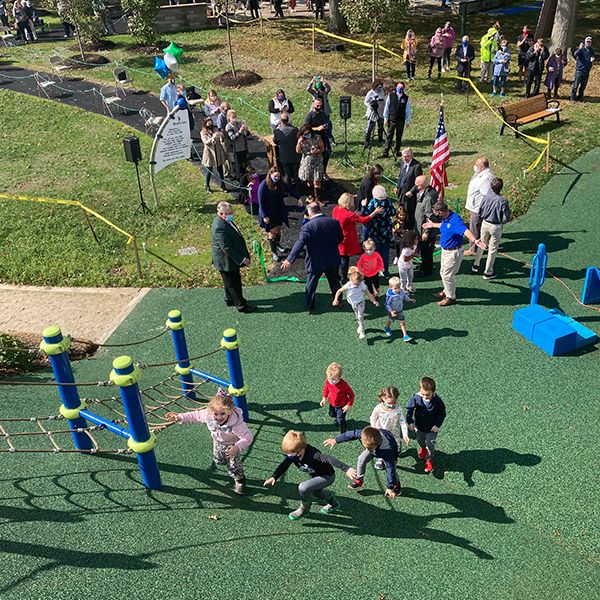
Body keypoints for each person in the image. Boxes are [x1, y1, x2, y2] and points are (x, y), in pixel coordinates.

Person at [165, 389, 252, 495]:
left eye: (222, 414)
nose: (219, 417)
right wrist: (179, 417)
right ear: (211, 412)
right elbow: (195, 416)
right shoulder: (208, 415)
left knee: (233, 465)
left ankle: (240, 480)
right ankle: (225, 462)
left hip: (232, 446)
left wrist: (237, 447)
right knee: (218, 460)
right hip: (218, 442)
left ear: (229, 411)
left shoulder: (236, 424)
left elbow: (247, 437)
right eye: (216, 414)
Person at [264, 430, 356, 520]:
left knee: (303, 487)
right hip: (316, 476)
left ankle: (304, 509)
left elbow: (329, 458)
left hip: (327, 477)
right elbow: (284, 464)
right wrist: (274, 476)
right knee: (316, 492)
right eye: (288, 454)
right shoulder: (293, 455)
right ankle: (334, 504)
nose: (290, 457)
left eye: (292, 454)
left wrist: (346, 469)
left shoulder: (313, 454)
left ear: (301, 449)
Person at [282, 202, 343, 312]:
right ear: (320, 209)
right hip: (332, 258)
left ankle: (310, 306)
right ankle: (338, 301)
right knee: (334, 281)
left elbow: (299, 243)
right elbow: (340, 238)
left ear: (309, 212)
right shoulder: (334, 222)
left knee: (311, 284)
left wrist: (289, 259)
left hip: (315, 261)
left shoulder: (308, 227)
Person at [422, 200, 487, 306]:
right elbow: (445, 226)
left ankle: (451, 297)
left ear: (441, 212)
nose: (435, 215)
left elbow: (465, 231)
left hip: (452, 252)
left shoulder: (455, 220)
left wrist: (475, 240)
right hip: (446, 251)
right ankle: (447, 290)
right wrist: (433, 225)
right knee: (443, 272)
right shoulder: (446, 218)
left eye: (436, 213)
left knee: (448, 275)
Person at [324, 426, 402, 498]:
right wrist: (336, 440)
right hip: (376, 448)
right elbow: (349, 435)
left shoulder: (387, 449)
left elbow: (390, 469)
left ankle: (396, 485)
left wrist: (390, 487)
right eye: (366, 447)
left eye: (369, 448)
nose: (367, 449)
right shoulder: (363, 434)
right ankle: (359, 480)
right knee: (361, 459)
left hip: (390, 452)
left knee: (393, 470)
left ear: (376, 444)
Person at [211, 201, 256, 313]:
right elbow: (226, 248)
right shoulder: (219, 227)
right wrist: (242, 259)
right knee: (234, 283)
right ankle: (241, 305)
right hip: (225, 260)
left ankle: (229, 299)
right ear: (221, 214)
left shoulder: (224, 221)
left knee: (228, 281)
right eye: (229, 213)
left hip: (228, 260)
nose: (232, 214)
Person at [332, 193, 383, 283]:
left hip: (336, 236)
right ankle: (344, 278)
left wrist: (355, 214)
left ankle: (336, 275)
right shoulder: (349, 215)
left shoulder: (336, 209)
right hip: (346, 238)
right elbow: (364, 219)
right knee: (345, 258)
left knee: (338, 256)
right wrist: (375, 212)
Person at [472, 177, 511, 280]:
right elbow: (506, 217)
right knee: (492, 249)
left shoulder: (485, 197)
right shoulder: (503, 201)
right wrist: (502, 221)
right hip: (496, 226)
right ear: (501, 188)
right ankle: (488, 271)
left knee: (482, 243)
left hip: (485, 223)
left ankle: (476, 264)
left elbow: (479, 211)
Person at [406, 376, 446, 474]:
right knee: (420, 440)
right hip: (419, 426)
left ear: (433, 392)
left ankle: (429, 460)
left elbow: (442, 414)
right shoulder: (416, 397)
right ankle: (422, 448)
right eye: (423, 394)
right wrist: (410, 421)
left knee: (430, 444)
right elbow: (409, 410)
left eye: (428, 395)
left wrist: (437, 425)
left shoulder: (437, 401)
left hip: (431, 429)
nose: (425, 397)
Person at [258, 167, 298, 261]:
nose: (277, 178)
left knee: (279, 229)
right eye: (275, 176)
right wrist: (264, 216)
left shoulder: (280, 183)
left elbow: (289, 189)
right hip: (268, 213)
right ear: (270, 174)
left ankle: (278, 244)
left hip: (278, 210)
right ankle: (274, 252)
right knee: (272, 232)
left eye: (279, 176)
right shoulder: (263, 185)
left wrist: (298, 197)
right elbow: (261, 202)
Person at [369, 387, 410, 470]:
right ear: (383, 398)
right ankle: (380, 459)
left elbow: (402, 422)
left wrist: (405, 435)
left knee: (395, 447)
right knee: (381, 445)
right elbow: (372, 418)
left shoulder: (398, 409)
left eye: (394, 402)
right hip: (382, 432)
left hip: (394, 433)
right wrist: (374, 429)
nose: (391, 405)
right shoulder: (379, 408)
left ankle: (394, 456)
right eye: (389, 403)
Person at [333, 267, 379, 340]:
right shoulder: (348, 285)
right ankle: (360, 326)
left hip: (360, 302)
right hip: (353, 303)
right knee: (357, 315)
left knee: (360, 317)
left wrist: (374, 301)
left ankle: (362, 331)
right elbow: (339, 291)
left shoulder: (362, 285)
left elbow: (368, 294)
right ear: (351, 280)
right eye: (355, 284)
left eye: (358, 284)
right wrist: (335, 299)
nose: (357, 286)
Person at [360, 184, 396, 276]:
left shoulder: (373, 202)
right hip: (386, 231)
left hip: (375, 232)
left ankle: (375, 271)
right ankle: (386, 271)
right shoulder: (388, 201)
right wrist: (386, 212)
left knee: (375, 254)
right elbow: (393, 212)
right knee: (385, 253)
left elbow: (365, 214)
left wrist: (363, 206)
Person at [405, 175, 438, 277]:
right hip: (420, 227)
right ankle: (424, 265)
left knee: (426, 251)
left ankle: (427, 270)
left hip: (426, 231)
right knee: (424, 250)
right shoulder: (423, 191)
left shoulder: (428, 198)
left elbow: (430, 217)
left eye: (418, 186)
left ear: (422, 186)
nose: (416, 188)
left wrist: (426, 232)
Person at [464, 157, 494, 255]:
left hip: (477, 208)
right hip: (475, 206)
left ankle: (473, 249)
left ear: (481, 166)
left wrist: (481, 209)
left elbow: (487, 195)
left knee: (474, 228)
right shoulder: (480, 174)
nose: (475, 166)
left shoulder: (486, 178)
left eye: (476, 164)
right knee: (478, 227)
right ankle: (481, 245)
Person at [319, 362, 355, 432]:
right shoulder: (328, 381)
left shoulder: (343, 384)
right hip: (332, 403)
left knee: (340, 419)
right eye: (329, 379)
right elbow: (326, 388)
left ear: (339, 377)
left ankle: (343, 428)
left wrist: (348, 405)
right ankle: (338, 419)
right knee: (331, 414)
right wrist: (324, 398)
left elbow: (351, 395)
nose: (331, 382)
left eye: (333, 380)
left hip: (342, 405)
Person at [381, 82, 411, 159]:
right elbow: (387, 108)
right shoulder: (391, 96)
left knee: (399, 137)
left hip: (401, 120)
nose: (399, 89)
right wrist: (385, 118)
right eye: (398, 87)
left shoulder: (405, 98)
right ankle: (386, 152)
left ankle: (397, 151)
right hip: (392, 120)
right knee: (389, 136)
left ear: (403, 89)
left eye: (401, 87)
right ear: (396, 87)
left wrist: (408, 121)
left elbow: (407, 110)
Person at [273, 112, 300, 194]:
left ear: (281, 121)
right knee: (296, 174)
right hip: (295, 155)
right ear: (288, 120)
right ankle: (298, 190)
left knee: (287, 175)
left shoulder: (277, 131)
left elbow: (275, 141)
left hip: (284, 156)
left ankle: (289, 190)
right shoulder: (295, 129)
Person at [296, 124, 324, 201]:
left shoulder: (317, 138)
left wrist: (317, 150)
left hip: (317, 161)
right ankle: (311, 196)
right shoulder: (301, 140)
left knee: (317, 180)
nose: (307, 135)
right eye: (305, 134)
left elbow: (322, 148)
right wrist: (299, 142)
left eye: (308, 133)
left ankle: (318, 198)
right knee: (309, 179)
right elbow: (298, 151)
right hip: (306, 162)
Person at [303, 98, 330, 178]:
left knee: (326, 154)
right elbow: (305, 128)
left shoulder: (322, 114)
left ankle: (324, 171)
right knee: (315, 155)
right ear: (313, 105)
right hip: (313, 138)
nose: (319, 107)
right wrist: (316, 128)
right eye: (317, 105)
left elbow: (327, 122)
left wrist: (325, 126)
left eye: (320, 106)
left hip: (323, 136)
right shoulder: (309, 115)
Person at [395, 148, 422, 225]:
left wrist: (412, 191)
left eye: (407, 156)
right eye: (403, 156)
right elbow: (400, 176)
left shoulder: (416, 166)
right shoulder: (402, 163)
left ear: (411, 156)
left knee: (408, 212)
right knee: (401, 210)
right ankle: (400, 225)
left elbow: (418, 182)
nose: (405, 158)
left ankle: (409, 227)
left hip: (410, 194)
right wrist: (397, 187)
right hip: (401, 192)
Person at [384, 276, 415, 341]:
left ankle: (405, 336)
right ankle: (387, 327)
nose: (397, 290)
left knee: (402, 322)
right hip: (393, 311)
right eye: (395, 288)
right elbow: (387, 304)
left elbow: (404, 296)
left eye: (398, 287)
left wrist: (410, 300)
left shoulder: (401, 291)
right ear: (391, 288)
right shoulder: (390, 296)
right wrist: (391, 311)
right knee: (390, 320)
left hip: (400, 310)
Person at [200, 118, 227, 193]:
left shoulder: (215, 130)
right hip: (210, 153)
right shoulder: (203, 132)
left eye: (211, 123)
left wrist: (221, 136)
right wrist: (213, 138)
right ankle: (207, 186)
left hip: (218, 152)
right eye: (209, 124)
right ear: (205, 124)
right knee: (209, 170)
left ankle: (223, 185)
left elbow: (221, 140)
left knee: (220, 169)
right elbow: (206, 142)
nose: (211, 125)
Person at [225, 109, 249, 180]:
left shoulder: (239, 123)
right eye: (233, 117)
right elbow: (232, 137)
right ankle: (239, 177)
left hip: (243, 147)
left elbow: (247, 134)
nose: (235, 118)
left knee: (244, 164)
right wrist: (240, 131)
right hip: (235, 149)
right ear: (229, 118)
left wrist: (245, 129)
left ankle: (245, 176)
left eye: (235, 116)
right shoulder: (228, 126)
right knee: (237, 165)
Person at [571, 36, 596, 102]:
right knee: (576, 85)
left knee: (583, 85)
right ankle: (572, 97)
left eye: (590, 42)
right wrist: (579, 48)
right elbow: (575, 54)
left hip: (587, 70)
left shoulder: (591, 50)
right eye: (587, 42)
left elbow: (593, 56)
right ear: (585, 42)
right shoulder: (581, 49)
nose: (588, 43)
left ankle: (580, 97)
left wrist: (593, 59)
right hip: (579, 70)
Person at [363, 80, 385, 149]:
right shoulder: (370, 93)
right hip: (372, 111)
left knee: (380, 125)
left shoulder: (381, 91)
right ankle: (367, 141)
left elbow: (383, 100)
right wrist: (371, 105)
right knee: (370, 126)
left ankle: (380, 138)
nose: (380, 89)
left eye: (381, 87)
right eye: (378, 87)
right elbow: (365, 102)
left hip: (380, 111)